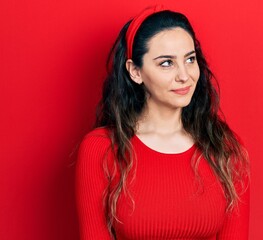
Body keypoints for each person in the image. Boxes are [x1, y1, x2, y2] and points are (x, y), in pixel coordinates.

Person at [75, 5, 250, 240]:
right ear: (135, 72)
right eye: (166, 63)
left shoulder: (225, 148)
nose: (184, 75)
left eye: (190, 59)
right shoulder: (101, 149)